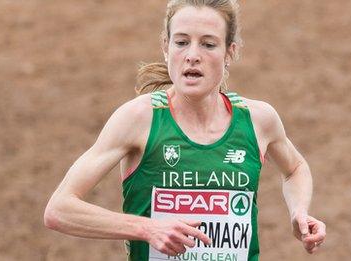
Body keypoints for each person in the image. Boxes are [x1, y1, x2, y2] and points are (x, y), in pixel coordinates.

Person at [44, 0, 326, 260]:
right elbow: (60, 209)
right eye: (181, 42)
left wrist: (298, 212)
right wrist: (147, 229)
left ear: (231, 52)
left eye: (208, 44)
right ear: (166, 47)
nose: (192, 55)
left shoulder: (258, 120)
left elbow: (295, 168)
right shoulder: (139, 119)